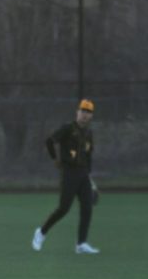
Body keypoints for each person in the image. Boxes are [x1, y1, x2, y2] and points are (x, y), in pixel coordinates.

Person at [32, 98, 99, 254]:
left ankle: (81, 243)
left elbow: (88, 157)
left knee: (87, 208)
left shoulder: (88, 133)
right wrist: (55, 159)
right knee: (64, 208)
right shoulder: (68, 128)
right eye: (83, 111)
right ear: (77, 112)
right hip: (69, 173)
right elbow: (50, 141)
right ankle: (41, 232)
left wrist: (90, 180)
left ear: (91, 116)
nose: (85, 114)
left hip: (83, 174)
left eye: (88, 112)